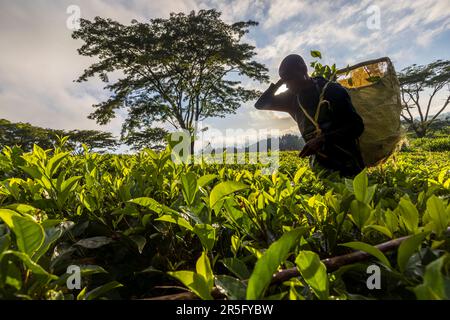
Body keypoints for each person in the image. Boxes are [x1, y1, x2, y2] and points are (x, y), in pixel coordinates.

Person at [254, 54, 365, 177]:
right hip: (321, 167)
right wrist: (281, 81)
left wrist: (323, 140)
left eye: (290, 78)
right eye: (285, 81)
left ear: (303, 70)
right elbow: (260, 104)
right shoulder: (290, 98)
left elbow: (356, 126)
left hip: (348, 164)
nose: (287, 85)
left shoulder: (332, 90)